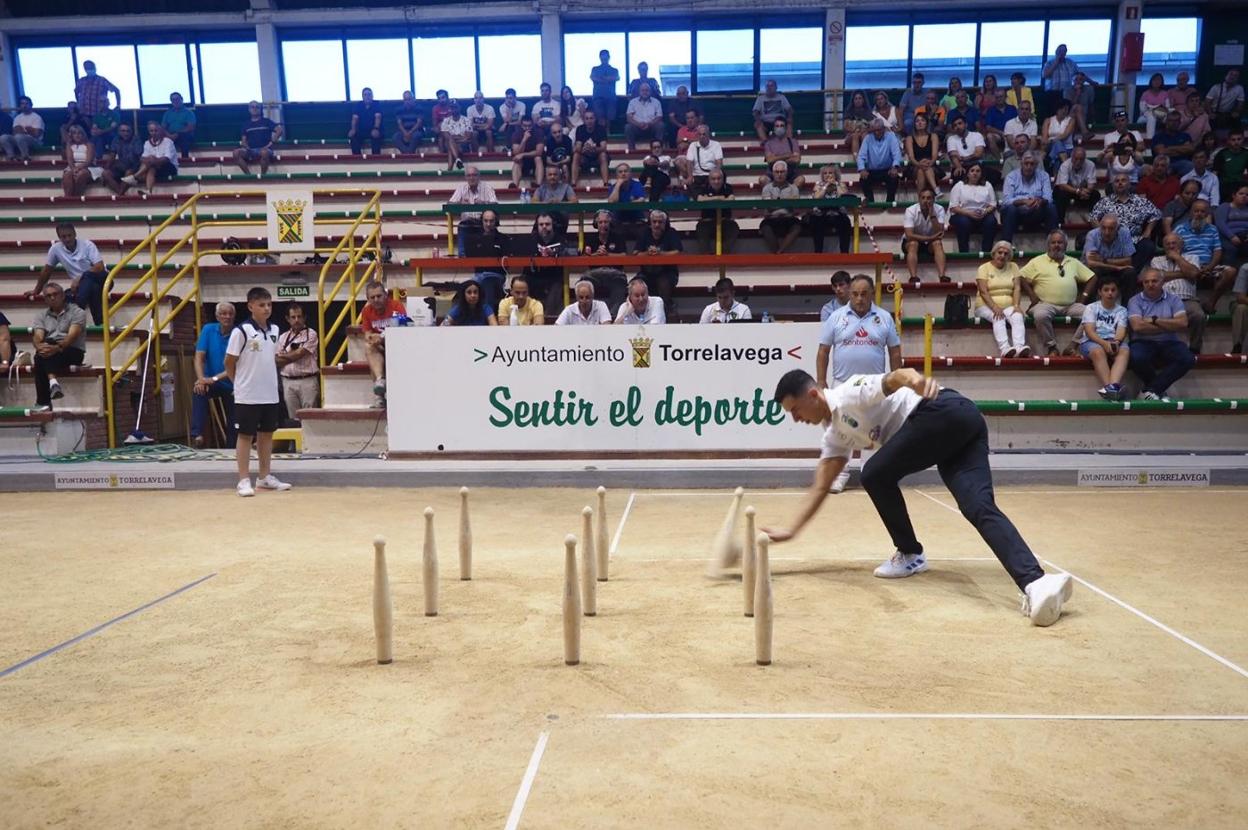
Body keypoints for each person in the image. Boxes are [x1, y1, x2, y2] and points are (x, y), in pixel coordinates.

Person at [764, 367, 1073, 626]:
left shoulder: (849, 392)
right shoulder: (834, 435)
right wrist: (791, 530)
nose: (795, 418)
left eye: (795, 410)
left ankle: (910, 554)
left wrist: (915, 380)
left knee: (873, 474)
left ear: (813, 395)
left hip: (940, 411)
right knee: (976, 506)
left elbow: (895, 376)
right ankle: (1036, 582)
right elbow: (821, 485)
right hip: (958, 430)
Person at [223, 287, 292, 497]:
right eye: (262, 305)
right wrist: (238, 384)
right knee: (245, 435)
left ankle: (264, 476)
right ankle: (243, 480)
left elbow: (270, 359)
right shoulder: (241, 331)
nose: (266, 308)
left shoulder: (275, 331)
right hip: (247, 394)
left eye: (269, 304)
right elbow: (229, 362)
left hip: (269, 392)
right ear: (250, 306)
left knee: (266, 435)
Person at [1021, 230, 1096, 355]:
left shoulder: (1073, 262)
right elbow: (1020, 277)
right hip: (1045, 304)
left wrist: (1083, 298)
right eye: (1053, 242)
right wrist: (1032, 296)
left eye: (1060, 242)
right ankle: (1052, 347)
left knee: (1093, 314)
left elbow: (1092, 277)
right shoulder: (1037, 261)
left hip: (1070, 305)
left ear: (1066, 245)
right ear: (1048, 245)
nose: (1056, 245)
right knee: (1040, 316)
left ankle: (1072, 346)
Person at [1127, 269, 1195, 400]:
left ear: (1162, 282)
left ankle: (1151, 390)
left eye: (1154, 281)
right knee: (1136, 357)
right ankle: (1157, 391)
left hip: (1170, 342)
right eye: (1146, 282)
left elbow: (1182, 324)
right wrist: (1169, 325)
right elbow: (1137, 326)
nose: (1150, 284)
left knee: (1188, 359)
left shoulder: (1174, 299)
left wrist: (1154, 320)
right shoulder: (1134, 301)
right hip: (1142, 342)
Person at [1173, 198, 1237, 316]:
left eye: (1202, 211)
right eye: (1196, 211)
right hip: (1187, 268)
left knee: (1231, 271)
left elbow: (1217, 251)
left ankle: (1210, 303)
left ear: (1207, 214)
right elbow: (1175, 252)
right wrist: (1192, 268)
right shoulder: (1180, 229)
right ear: (1191, 213)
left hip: (1208, 266)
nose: (1199, 214)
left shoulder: (1212, 229)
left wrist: (1209, 267)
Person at [31, 223, 105, 324]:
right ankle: (98, 323)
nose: (67, 239)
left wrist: (79, 278)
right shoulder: (55, 249)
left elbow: (99, 266)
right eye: (63, 237)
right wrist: (36, 290)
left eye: (69, 235)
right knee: (70, 294)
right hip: (84, 286)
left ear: (75, 234)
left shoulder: (87, 244)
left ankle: (76, 315)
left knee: (88, 278)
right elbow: (47, 270)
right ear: (59, 237)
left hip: (101, 278)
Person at [30, 282, 87, 411]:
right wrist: (39, 346)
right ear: (45, 299)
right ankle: (53, 384)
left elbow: (71, 336)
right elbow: (38, 336)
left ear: (62, 295)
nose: (52, 298)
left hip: (72, 350)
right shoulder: (41, 315)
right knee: (41, 353)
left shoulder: (77, 312)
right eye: (48, 296)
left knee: (40, 357)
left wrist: (56, 348)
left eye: (55, 294)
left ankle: (43, 402)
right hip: (51, 350)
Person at [190, 309, 239, 453]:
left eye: (230, 314)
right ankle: (197, 435)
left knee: (234, 419)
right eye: (223, 314)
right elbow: (199, 357)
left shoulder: (238, 333)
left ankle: (232, 449)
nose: (227, 316)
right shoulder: (208, 329)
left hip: (233, 382)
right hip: (211, 382)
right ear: (217, 316)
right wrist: (201, 379)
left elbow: (235, 364)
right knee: (199, 391)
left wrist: (213, 378)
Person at [1090, 173, 1162, 264]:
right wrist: (1103, 232)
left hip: (1135, 239)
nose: (1120, 183)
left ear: (1129, 184)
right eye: (1117, 181)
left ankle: (1135, 272)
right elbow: (1093, 218)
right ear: (1113, 186)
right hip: (1112, 239)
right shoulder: (1104, 202)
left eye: (1123, 180)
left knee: (1148, 246)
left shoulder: (1140, 201)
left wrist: (1148, 231)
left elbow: (1156, 214)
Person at [975, 241, 1029, 358]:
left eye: (1006, 254)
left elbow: (1017, 288)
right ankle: (1005, 348)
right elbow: (983, 292)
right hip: (985, 305)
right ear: (994, 253)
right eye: (1000, 252)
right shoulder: (983, 268)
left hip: (1007, 305)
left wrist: (1016, 305)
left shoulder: (1013, 266)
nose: (1002, 256)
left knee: (1017, 315)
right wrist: (994, 307)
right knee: (998, 317)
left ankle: (1019, 347)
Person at [1079, 278, 1131, 400]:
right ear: (1099, 292)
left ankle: (1111, 388)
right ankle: (1111, 388)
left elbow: (1121, 330)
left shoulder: (1122, 310)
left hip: (1113, 339)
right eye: (1106, 290)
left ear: (1117, 292)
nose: (1110, 293)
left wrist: (1116, 342)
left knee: (1124, 350)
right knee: (1098, 351)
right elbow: (1090, 331)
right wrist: (1104, 343)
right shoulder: (1091, 308)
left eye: (1113, 290)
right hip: (1092, 341)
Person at [359, 281, 406, 409]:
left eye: (379, 296)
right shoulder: (366, 311)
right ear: (368, 299)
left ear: (385, 295)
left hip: (398, 346)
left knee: (374, 351)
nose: (376, 300)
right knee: (368, 346)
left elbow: (402, 329)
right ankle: (380, 382)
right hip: (380, 346)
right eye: (372, 297)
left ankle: (381, 390)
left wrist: (383, 337)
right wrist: (371, 338)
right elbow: (367, 333)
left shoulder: (397, 305)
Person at [275, 303, 319, 423]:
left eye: (299, 317)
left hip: (307, 381)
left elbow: (300, 354)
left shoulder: (311, 334)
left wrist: (285, 356)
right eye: (293, 317)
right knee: (293, 420)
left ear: (304, 318)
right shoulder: (283, 337)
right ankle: (294, 443)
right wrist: (293, 355)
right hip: (288, 382)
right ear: (287, 319)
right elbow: (276, 361)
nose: (296, 320)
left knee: (309, 419)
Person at [1000, 152, 1055, 243]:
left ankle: (1053, 243)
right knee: (1010, 209)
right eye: (1026, 163)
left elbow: (1049, 198)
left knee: (1051, 207)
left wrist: (1040, 201)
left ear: (1036, 165)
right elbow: (1006, 201)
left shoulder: (1044, 176)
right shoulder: (1011, 176)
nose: (1029, 167)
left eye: (1032, 164)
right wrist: (1024, 201)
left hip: (1036, 210)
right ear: (1021, 164)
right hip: (1016, 212)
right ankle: (1006, 245)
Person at [634, 210, 681, 311]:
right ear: (650, 223)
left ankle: (665, 311)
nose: (657, 225)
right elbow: (636, 254)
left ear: (665, 223)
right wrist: (648, 253)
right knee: (634, 284)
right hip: (646, 273)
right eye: (654, 222)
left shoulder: (671, 233)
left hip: (667, 272)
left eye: (660, 222)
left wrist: (660, 253)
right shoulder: (644, 233)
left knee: (663, 283)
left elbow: (677, 253)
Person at [1083, 215, 1139, 299]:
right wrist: (1116, 266)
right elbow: (1091, 262)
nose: (1107, 232)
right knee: (1093, 272)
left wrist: (1103, 260)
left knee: (1130, 272)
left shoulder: (1124, 233)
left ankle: (1127, 306)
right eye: (1103, 228)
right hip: (1100, 269)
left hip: (1114, 270)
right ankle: (1091, 306)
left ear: (1118, 228)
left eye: (1111, 228)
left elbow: (1128, 261)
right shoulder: (1092, 235)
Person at [947, 162, 998, 254]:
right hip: (962, 213)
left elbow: (993, 204)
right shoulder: (959, 185)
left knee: (991, 221)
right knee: (963, 221)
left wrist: (985, 212)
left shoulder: (987, 185)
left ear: (981, 173)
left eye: (978, 171)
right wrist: (969, 213)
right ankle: (964, 252)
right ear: (968, 173)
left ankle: (986, 252)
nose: (975, 173)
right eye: (972, 171)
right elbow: (954, 207)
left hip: (982, 214)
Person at [465, 208, 508, 310]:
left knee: (487, 281)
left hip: (497, 275)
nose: (488, 224)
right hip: (478, 275)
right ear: (482, 221)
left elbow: (507, 263)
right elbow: (469, 256)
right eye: (485, 221)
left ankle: (489, 316)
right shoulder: (474, 239)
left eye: (491, 221)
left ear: (496, 221)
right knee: (467, 286)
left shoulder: (504, 238)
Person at [902, 187, 948, 283]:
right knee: (914, 243)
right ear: (919, 199)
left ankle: (942, 276)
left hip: (931, 243)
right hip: (912, 242)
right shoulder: (910, 210)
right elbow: (909, 235)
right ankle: (913, 277)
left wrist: (932, 215)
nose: (925, 201)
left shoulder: (939, 209)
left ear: (933, 199)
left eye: (928, 198)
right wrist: (929, 237)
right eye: (923, 198)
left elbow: (939, 232)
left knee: (938, 243)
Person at [449, 165, 498, 254]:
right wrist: (461, 204)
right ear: (466, 177)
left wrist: (483, 204)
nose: (472, 178)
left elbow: (495, 204)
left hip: (483, 223)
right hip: (466, 224)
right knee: (462, 227)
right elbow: (449, 204)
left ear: (479, 176)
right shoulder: (461, 188)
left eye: (474, 175)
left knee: (486, 252)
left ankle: (488, 256)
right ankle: (462, 256)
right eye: (469, 175)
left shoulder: (487, 187)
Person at [805, 165, 852, 254]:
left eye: (830, 173)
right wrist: (826, 186)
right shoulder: (818, 185)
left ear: (835, 175)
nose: (827, 175)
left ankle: (844, 253)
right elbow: (817, 197)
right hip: (821, 214)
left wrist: (836, 184)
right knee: (816, 222)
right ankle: (818, 252)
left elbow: (842, 196)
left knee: (846, 222)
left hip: (837, 214)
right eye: (825, 173)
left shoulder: (841, 184)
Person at [759, 161, 801, 254]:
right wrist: (787, 201)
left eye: (782, 172)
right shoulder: (766, 188)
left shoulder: (794, 188)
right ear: (773, 173)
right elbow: (768, 205)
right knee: (764, 227)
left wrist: (776, 201)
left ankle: (779, 253)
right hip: (771, 218)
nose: (779, 174)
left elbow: (796, 204)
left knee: (797, 226)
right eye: (777, 172)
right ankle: (778, 253)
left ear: (786, 173)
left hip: (788, 218)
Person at [125, 122, 178, 194]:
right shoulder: (147, 143)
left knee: (152, 162)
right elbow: (142, 158)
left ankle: (135, 177)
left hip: (169, 167)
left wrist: (154, 160)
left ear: (160, 131)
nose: (154, 133)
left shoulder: (168, 142)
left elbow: (166, 159)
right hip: (153, 166)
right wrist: (150, 159)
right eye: (151, 131)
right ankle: (148, 191)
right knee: (151, 167)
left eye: (156, 130)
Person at [856, 118, 902, 203]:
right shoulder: (868, 138)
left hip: (887, 170)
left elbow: (896, 154)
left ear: (884, 129)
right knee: (863, 180)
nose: (877, 133)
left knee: (894, 178)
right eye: (875, 130)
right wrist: (862, 169)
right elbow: (861, 156)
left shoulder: (891, 136)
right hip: (872, 171)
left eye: (879, 130)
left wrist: (895, 167)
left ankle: (889, 202)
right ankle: (870, 202)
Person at [694, 167, 738, 254]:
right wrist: (718, 198)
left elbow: (731, 199)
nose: (716, 181)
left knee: (734, 228)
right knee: (700, 229)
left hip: (725, 221)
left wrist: (708, 198)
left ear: (723, 179)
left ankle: (724, 256)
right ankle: (706, 260)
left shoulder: (728, 187)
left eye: (719, 178)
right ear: (709, 180)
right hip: (707, 221)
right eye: (713, 179)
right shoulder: (704, 188)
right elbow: (699, 199)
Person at [1054, 145, 1100, 224]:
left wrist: (1087, 191)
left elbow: (1092, 183)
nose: (1078, 162)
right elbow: (1062, 185)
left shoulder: (1090, 165)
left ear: (1084, 159)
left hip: (1082, 192)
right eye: (1076, 159)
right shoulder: (1065, 165)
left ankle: (1094, 220)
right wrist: (1078, 191)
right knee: (1059, 193)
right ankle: (1060, 222)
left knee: (1096, 194)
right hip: (1068, 191)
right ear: (1071, 157)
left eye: (1081, 159)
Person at [233, 102, 281, 175]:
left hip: (266, 150)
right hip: (250, 150)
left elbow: (279, 130)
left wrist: (273, 141)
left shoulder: (266, 121)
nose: (255, 109)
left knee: (264, 152)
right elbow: (243, 140)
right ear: (249, 109)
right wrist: (246, 147)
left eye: (257, 107)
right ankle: (248, 175)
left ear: (260, 109)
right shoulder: (245, 124)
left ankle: (262, 175)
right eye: (252, 107)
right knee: (236, 152)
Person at [945, 115, 989, 186]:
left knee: (994, 175)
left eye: (960, 123)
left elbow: (978, 154)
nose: (957, 127)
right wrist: (958, 166)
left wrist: (964, 158)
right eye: (955, 125)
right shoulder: (951, 139)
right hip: (961, 166)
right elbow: (954, 156)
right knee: (958, 174)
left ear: (966, 124)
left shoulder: (977, 135)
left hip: (977, 165)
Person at [761, 117, 804, 186]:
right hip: (773, 173)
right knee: (763, 180)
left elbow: (797, 160)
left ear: (786, 128)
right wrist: (788, 155)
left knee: (800, 180)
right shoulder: (768, 143)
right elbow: (769, 160)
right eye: (777, 126)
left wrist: (776, 158)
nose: (779, 128)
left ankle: (789, 195)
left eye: (782, 126)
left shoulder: (793, 142)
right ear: (774, 128)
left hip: (790, 173)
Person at [572, 109, 609, 188]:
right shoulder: (580, 129)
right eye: (587, 118)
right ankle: (573, 183)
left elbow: (604, 147)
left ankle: (605, 183)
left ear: (595, 119)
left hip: (597, 156)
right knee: (576, 155)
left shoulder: (601, 129)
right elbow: (578, 147)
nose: (589, 121)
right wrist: (583, 150)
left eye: (591, 118)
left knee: (603, 155)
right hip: (584, 156)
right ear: (584, 120)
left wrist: (594, 149)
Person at [1152, 110, 1196, 177]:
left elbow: (1190, 149)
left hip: (1182, 163)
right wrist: (1181, 149)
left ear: (1179, 122)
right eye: (1171, 120)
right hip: (1164, 164)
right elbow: (1161, 152)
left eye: (1176, 121)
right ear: (1166, 122)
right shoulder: (1159, 136)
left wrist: (1169, 148)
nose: (1173, 123)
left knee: (1190, 165)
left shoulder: (1185, 136)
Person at [683, 123, 723, 193]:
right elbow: (689, 162)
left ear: (708, 135)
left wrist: (715, 175)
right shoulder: (693, 145)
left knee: (718, 180)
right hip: (697, 175)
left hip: (711, 175)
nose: (702, 136)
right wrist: (690, 176)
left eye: (704, 134)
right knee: (691, 184)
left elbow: (719, 162)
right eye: (699, 134)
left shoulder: (716, 144)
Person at [1, 96, 45, 161]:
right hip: (18, 138)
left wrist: (22, 130)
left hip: (35, 141)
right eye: (22, 104)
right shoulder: (17, 117)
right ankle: (11, 157)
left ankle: (25, 157)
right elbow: (14, 132)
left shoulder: (37, 117)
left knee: (19, 137)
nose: (24, 106)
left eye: (26, 104)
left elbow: (36, 134)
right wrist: (27, 129)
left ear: (31, 105)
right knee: (3, 137)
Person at [905, 113, 939, 197]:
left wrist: (929, 163)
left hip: (930, 164)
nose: (920, 123)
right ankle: (936, 189)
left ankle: (920, 200)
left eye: (922, 120)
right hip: (915, 165)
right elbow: (911, 157)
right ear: (914, 124)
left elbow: (934, 155)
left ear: (926, 123)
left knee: (923, 170)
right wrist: (919, 164)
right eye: (917, 121)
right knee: (920, 170)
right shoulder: (909, 138)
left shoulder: (933, 136)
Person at [1215, 184, 1248, 265]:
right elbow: (1220, 224)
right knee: (1231, 249)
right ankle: (1228, 273)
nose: (1244, 196)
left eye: (1247, 195)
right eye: (1241, 194)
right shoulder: (1225, 206)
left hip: (1245, 235)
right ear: (1234, 195)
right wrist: (1232, 236)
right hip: (1227, 236)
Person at [624, 83, 663, 152]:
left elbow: (659, 117)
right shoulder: (633, 102)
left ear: (650, 92)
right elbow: (629, 118)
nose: (645, 92)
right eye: (643, 90)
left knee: (660, 126)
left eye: (647, 90)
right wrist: (638, 124)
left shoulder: (656, 102)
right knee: (628, 127)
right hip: (637, 127)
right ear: (639, 91)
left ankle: (658, 149)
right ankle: (632, 151)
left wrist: (650, 124)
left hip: (651, 127)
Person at [1212, 128, 1247, 202]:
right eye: (1233, 140)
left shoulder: (1246, 153)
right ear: (1228, 140)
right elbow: (1214, 173)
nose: (1236, 142)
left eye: (1239, 139)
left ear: (1243, 139)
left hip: (1242, 185)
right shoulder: (1222, 154)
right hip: (1225, 186)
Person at [60, 124, 96, 198]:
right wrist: (73, 169)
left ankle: (76, 198)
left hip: (87, 167)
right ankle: (68, 198)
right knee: (67, 175)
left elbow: (89, 161)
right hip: (73, 167)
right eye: (75, 133)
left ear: (83, 134)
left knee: (81, 174)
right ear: (72, 135)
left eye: (79, 133)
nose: (77, 135)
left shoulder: (89, 145)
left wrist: (78, 168)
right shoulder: (69, 145)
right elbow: (70, 160)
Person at [1042, 44, 1080, 111]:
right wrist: (1056, 62)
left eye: (1064, 51)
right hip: (1052, 92)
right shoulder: (1049, 63)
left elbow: (1079, 74)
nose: (1062, 53)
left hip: (1067, 92)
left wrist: (1091, 82)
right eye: (1060, 51)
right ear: (1056, 52)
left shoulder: (1070, 63)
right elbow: (1045, 75)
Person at [346, 87, 383, 157]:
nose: (367, 96)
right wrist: (353, 129)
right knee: (353, 137)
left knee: (376, 136)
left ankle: (376, 159)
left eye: (369, 94)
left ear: (372, 96)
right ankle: (357, 159)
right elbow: (354, 118)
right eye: (365, 95)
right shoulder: (358, 105)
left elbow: (378, 117)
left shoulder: (377, 105)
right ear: (362, 96)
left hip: (374, 129)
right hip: (361, 130)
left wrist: (376, 128)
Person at [510, 115, 544, 189]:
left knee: (538, 158)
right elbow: (516, 153)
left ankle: (538, 185)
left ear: (533, 125)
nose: (527, 128)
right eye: (525, 126)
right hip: (523, 162)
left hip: (534, 161)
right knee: (517, 160)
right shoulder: (516, 134)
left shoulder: (539, 133)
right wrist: (524, 140)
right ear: (521, 125)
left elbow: (539, 152)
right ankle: (515, 186)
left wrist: (523, 154)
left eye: (529, 126)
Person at [1205, 68, 1244, 133]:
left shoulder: (1239, 88)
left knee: (1237, 122)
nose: (1232, 77)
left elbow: (1240, 103)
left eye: (1235, 75)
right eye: (1231, 74)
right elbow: (1207, 102)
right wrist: (1210, 113)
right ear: (1226, 76)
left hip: (1228, 113)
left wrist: (1237, 111)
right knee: (1210, 126)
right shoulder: (1216, 87)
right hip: (1215, 112)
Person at [160, 92, 197, 158]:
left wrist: (177, 134)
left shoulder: (188, 113)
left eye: (177, 99)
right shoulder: (168, 113)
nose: (175, 101)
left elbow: (190, 127)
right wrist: (168, 135)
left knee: (185, 138)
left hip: (184, 135)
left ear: (182, 99)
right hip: (170, 135)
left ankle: (185, 161)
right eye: (173, 100)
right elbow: (163, 127)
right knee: (161, 138)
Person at [982, 88, 1017, 157]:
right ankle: (1000, 160)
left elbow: (1017, 123)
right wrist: (1001, 133)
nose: (999, 99)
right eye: (997, 97)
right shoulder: (991, 110)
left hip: (1012, 133)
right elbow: (988, 127)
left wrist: (1008, 133)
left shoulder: (1012, 108)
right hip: (998, 134)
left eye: (1001, 97)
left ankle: (1017, 158)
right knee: (989, 136)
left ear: (1005, 97)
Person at [440, 100, 473, 171]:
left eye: (455, 107)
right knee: (450, 141)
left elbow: (467, 137)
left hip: (464, 146)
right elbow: (446, 136)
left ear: (460, 108)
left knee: (451, 146)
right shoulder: (446, 121)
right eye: (452, 108)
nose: (453, 109)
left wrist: (455, 139)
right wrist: (458, 138)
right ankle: (457, 160)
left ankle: (450, 168)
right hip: (452, 144)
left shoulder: (466, 120)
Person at [1042, 99, 1076, 168]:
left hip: (1067, 148)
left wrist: (1052, 140)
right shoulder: (1048, 120)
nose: (1064, 111)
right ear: (1057, 109)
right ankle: (1066, 166)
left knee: (1057, 154)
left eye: (1066, 109)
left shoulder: (1071, 120)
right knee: (1057, 143)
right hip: (1050, 146)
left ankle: (1054, 162)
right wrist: (1051, 142)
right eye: (1062, 108)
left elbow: (1065, 136)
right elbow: (1044, 139)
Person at [590, 50, 620, 126]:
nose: (604, 58)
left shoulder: (614, 70)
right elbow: (593, 77)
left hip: (611, 97)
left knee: (610, 117)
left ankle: (608, 136)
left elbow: (616, 78)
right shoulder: (595, 69)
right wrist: (608, 79)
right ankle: (601, 135)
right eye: (602, 56)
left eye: (606, 56)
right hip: (598, 97)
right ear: (600, 57)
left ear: (609, 57)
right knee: (600, 117)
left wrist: (601, 79)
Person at [1138, 73, 1172, 139]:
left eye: (1159, 80)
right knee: (1152, 117)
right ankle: (1150, 141)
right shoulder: (1145, 93)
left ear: (1161, 82)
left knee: (1169, 118)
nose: (1157, 82)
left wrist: (1157, 110)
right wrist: (1155, 110)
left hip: (1161, 115)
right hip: (1145, 116)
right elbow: (1143, 109)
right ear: (1151, 81)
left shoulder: (1165, 93)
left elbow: (1167, 107)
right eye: (1155, 80)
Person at [843, 90, 873, 158]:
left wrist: (863, 130)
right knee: (855, 135)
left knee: (865, 135)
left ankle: (866, 158)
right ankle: (856, 159)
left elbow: (871, 126)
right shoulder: (849, 111)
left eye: (860, 98)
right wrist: (856, 129)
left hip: (864, 134)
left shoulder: (868, 112)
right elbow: (845, 126)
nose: (858, 100)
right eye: (856, 98)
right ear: (853, 100)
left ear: (863, 100)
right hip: (851, 135)